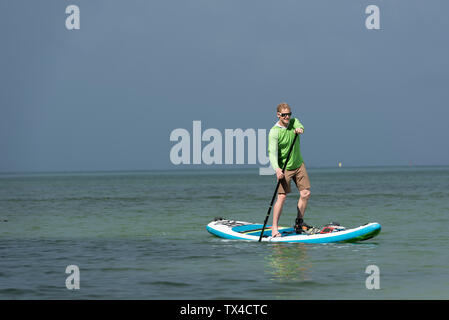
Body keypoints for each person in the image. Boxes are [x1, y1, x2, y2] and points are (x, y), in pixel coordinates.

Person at [268, 102, 312, 237]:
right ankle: (274, 228)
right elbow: (272, 153)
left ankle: (299, 223)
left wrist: (300, 130)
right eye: (284, 115)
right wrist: (277, 169)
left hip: (298, 165)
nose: (287, 117)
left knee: (305, 193)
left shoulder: (294, 122)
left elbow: (301, 127)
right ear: (278, 115)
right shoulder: (274, 132)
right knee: (281, 197)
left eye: (289, 114)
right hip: (284, 168)